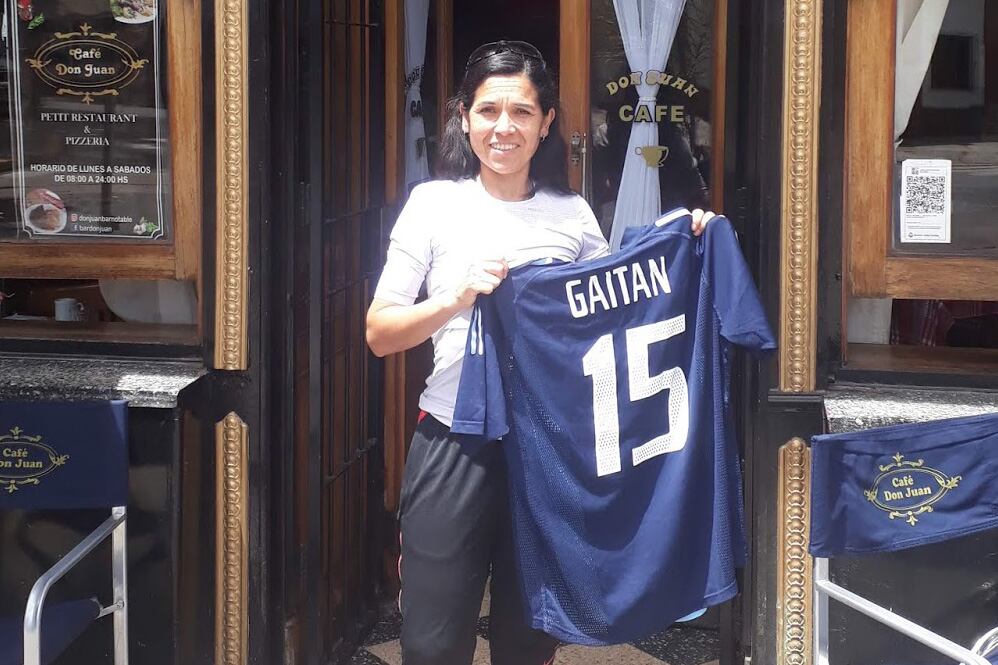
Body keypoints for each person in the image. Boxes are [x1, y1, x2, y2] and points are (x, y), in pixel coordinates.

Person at [366, 39, 716, 665]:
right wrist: (455, 298)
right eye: (489, 111)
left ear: (547, 121)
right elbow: (381, 331)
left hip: (547, 450)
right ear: (464, 117)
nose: (504, 128)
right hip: (454, 439)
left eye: (522, 112)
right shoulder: (433, 205)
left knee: (529, 636)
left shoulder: (571, 214)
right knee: (432, 638)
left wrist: (679, 241)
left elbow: (617, 315)